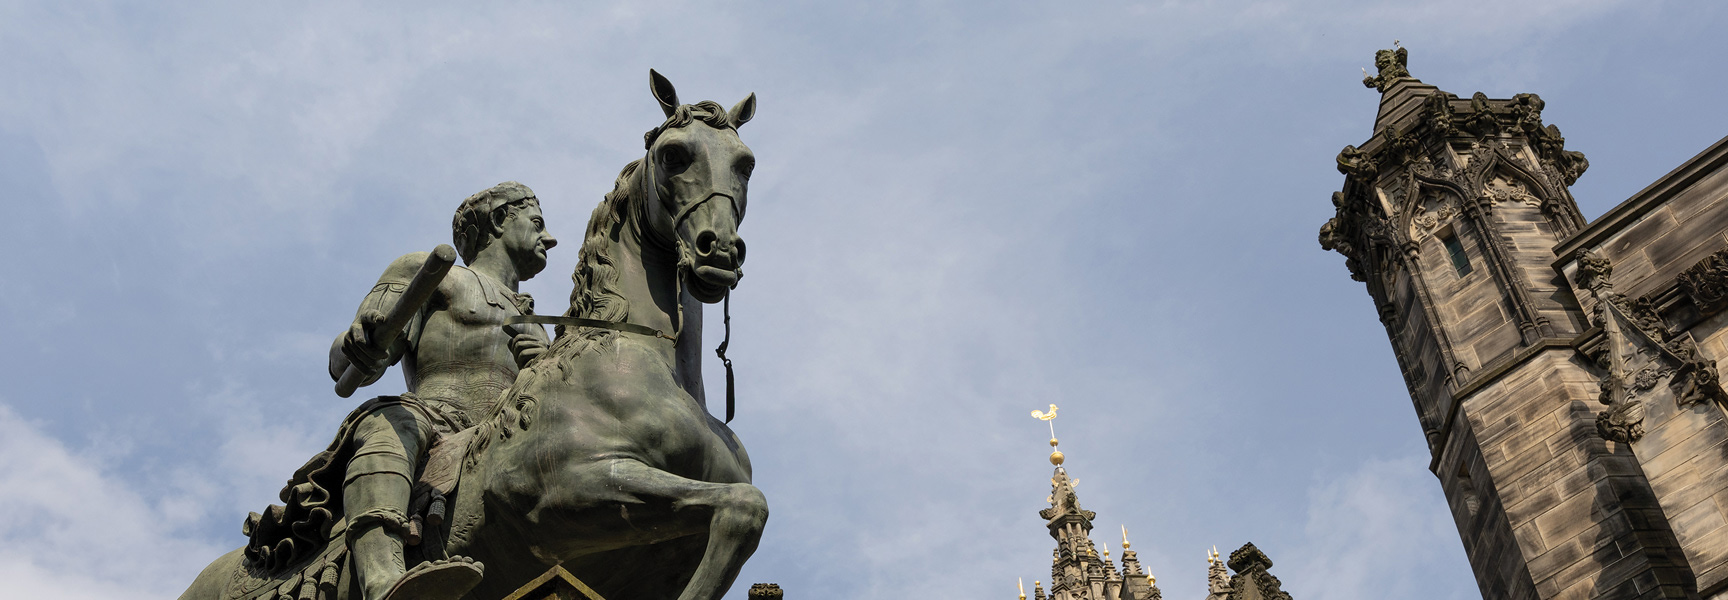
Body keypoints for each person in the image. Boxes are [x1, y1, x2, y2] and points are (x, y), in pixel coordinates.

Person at [244, 181, 557, 600]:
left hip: (504, 434)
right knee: (389, 425)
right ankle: (381, 578)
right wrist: (359, 341)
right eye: (537, 223)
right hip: (434, 417)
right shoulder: (432, 273)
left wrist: (545, 364)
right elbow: (349, 360)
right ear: (501, 219)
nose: (550, 238)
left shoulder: (539, 325)